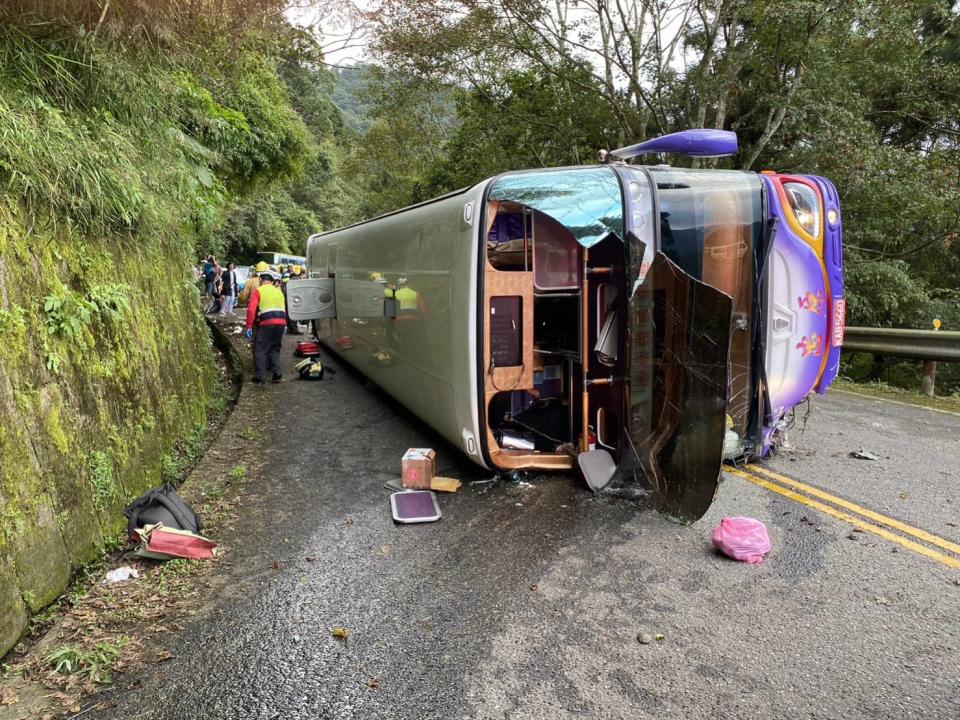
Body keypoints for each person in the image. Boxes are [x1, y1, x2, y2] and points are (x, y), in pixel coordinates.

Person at [245, 271, 286, 384]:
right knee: (274, 348)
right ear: (272, 282)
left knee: (260, 349)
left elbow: (251, 310)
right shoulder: (278, 292)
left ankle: (260, 377)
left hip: (267, 322)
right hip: (281, 322)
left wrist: (249, 326)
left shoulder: (258, 290)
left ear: (260, 280)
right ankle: (277, 374)